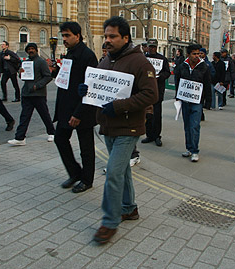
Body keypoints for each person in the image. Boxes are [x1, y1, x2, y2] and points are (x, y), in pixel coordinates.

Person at [89, 16, 158, 244]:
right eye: (106, 36)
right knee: (122, 171)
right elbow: (98, 88)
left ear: (125, 38)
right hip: (108, 126)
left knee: (113, 172)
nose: (107, 40)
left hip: (129, 128)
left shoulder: (140, 62)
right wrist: (86, 90)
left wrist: (118, 106)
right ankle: (129, 208)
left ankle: (109, 222)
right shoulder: (105, 60)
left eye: (112, 36)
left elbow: (151, 95)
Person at [51, 22, 98, 193]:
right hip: (66, 108)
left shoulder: (88, 56)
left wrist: (78, 113)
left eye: (67, 35)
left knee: (86, 148)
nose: (64, 39)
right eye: (62, 35)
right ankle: (75, 173)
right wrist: (55, 71)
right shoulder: (69, 54)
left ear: (77, 36)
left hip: (82, 110)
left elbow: (90, 87)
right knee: (60, 139)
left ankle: (87, 180)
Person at [7, 43, 55, 146]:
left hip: (38, 94)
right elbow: (24, 77)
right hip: (27, 94)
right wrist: (21, 73)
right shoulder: (26, 62)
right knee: (24, 116)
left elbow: (48, 77)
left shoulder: (41, 62)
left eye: (33, 49)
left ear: (36, 50)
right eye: (29, 49)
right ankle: (20, 137)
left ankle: (52, 132)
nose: (31, 51)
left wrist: (37, 86)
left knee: (44, 115)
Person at [175, 43, 212, 162]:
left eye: (198, 54)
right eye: (194, 54)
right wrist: (178, 96)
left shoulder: (204, 67)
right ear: (188, 54)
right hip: (185, 100)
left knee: (194, 126)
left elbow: (207, 84)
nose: (197, 56)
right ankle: (189, 148)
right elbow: (178, 81)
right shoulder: (182, 66)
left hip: (197, 101)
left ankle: (195, 151)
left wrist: (208, 101)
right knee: (187, 126)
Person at [141, 38, 170, 146]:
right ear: (147, 47)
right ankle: (149, 135)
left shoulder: (162, 59)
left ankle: (157, 136)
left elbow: (167, 73)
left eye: (154, 47)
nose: (152, 49)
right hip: (146, 91)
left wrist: (159, 77)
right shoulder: (143, 58)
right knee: (148, 114)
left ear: (156, 47)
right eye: (150, 47)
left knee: (157, 115)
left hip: (158, 90)